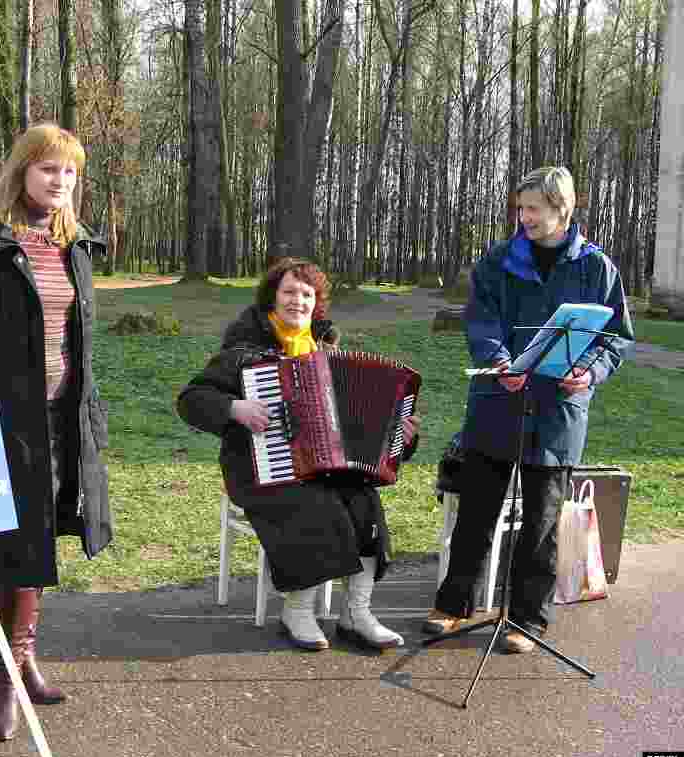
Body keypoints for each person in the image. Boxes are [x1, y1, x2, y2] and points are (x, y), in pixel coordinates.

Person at [0, 123, 111, 740]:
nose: (60, 182)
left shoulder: (74, 242)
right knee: (13, 546)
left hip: (62, 416)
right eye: (49, 170)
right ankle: (5, 678)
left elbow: (79, 337)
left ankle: (22, 656)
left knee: (38, 543)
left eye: (69, 173)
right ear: (22, 170)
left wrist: (90, 415)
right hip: (0, 418)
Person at [422, 166, 634, 653]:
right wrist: (498, 359)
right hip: (498, 401)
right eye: (521, 209)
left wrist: (591, 372)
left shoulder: (597, 268)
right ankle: (455, 605)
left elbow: (616, 339)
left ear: (563, 209)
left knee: (540, 520)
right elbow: (481, 321)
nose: (524, 217)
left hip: (559, 410)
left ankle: (526, 620)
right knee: (476, 511)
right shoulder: (498, 261)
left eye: (533, 209)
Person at [177, 258, 421, 651]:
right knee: (311, 503)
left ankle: (357, 613)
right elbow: (191, 400)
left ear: (317, 303)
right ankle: (297, 609)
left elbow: (366, 429)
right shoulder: (245, 351)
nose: (297, 301)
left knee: (364, 503)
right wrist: (235, 409)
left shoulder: (325, 350)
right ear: (272, 297)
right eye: (289, 291)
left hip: (324, 468)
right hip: (258, 466)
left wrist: (402, 436)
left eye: (306, 294)